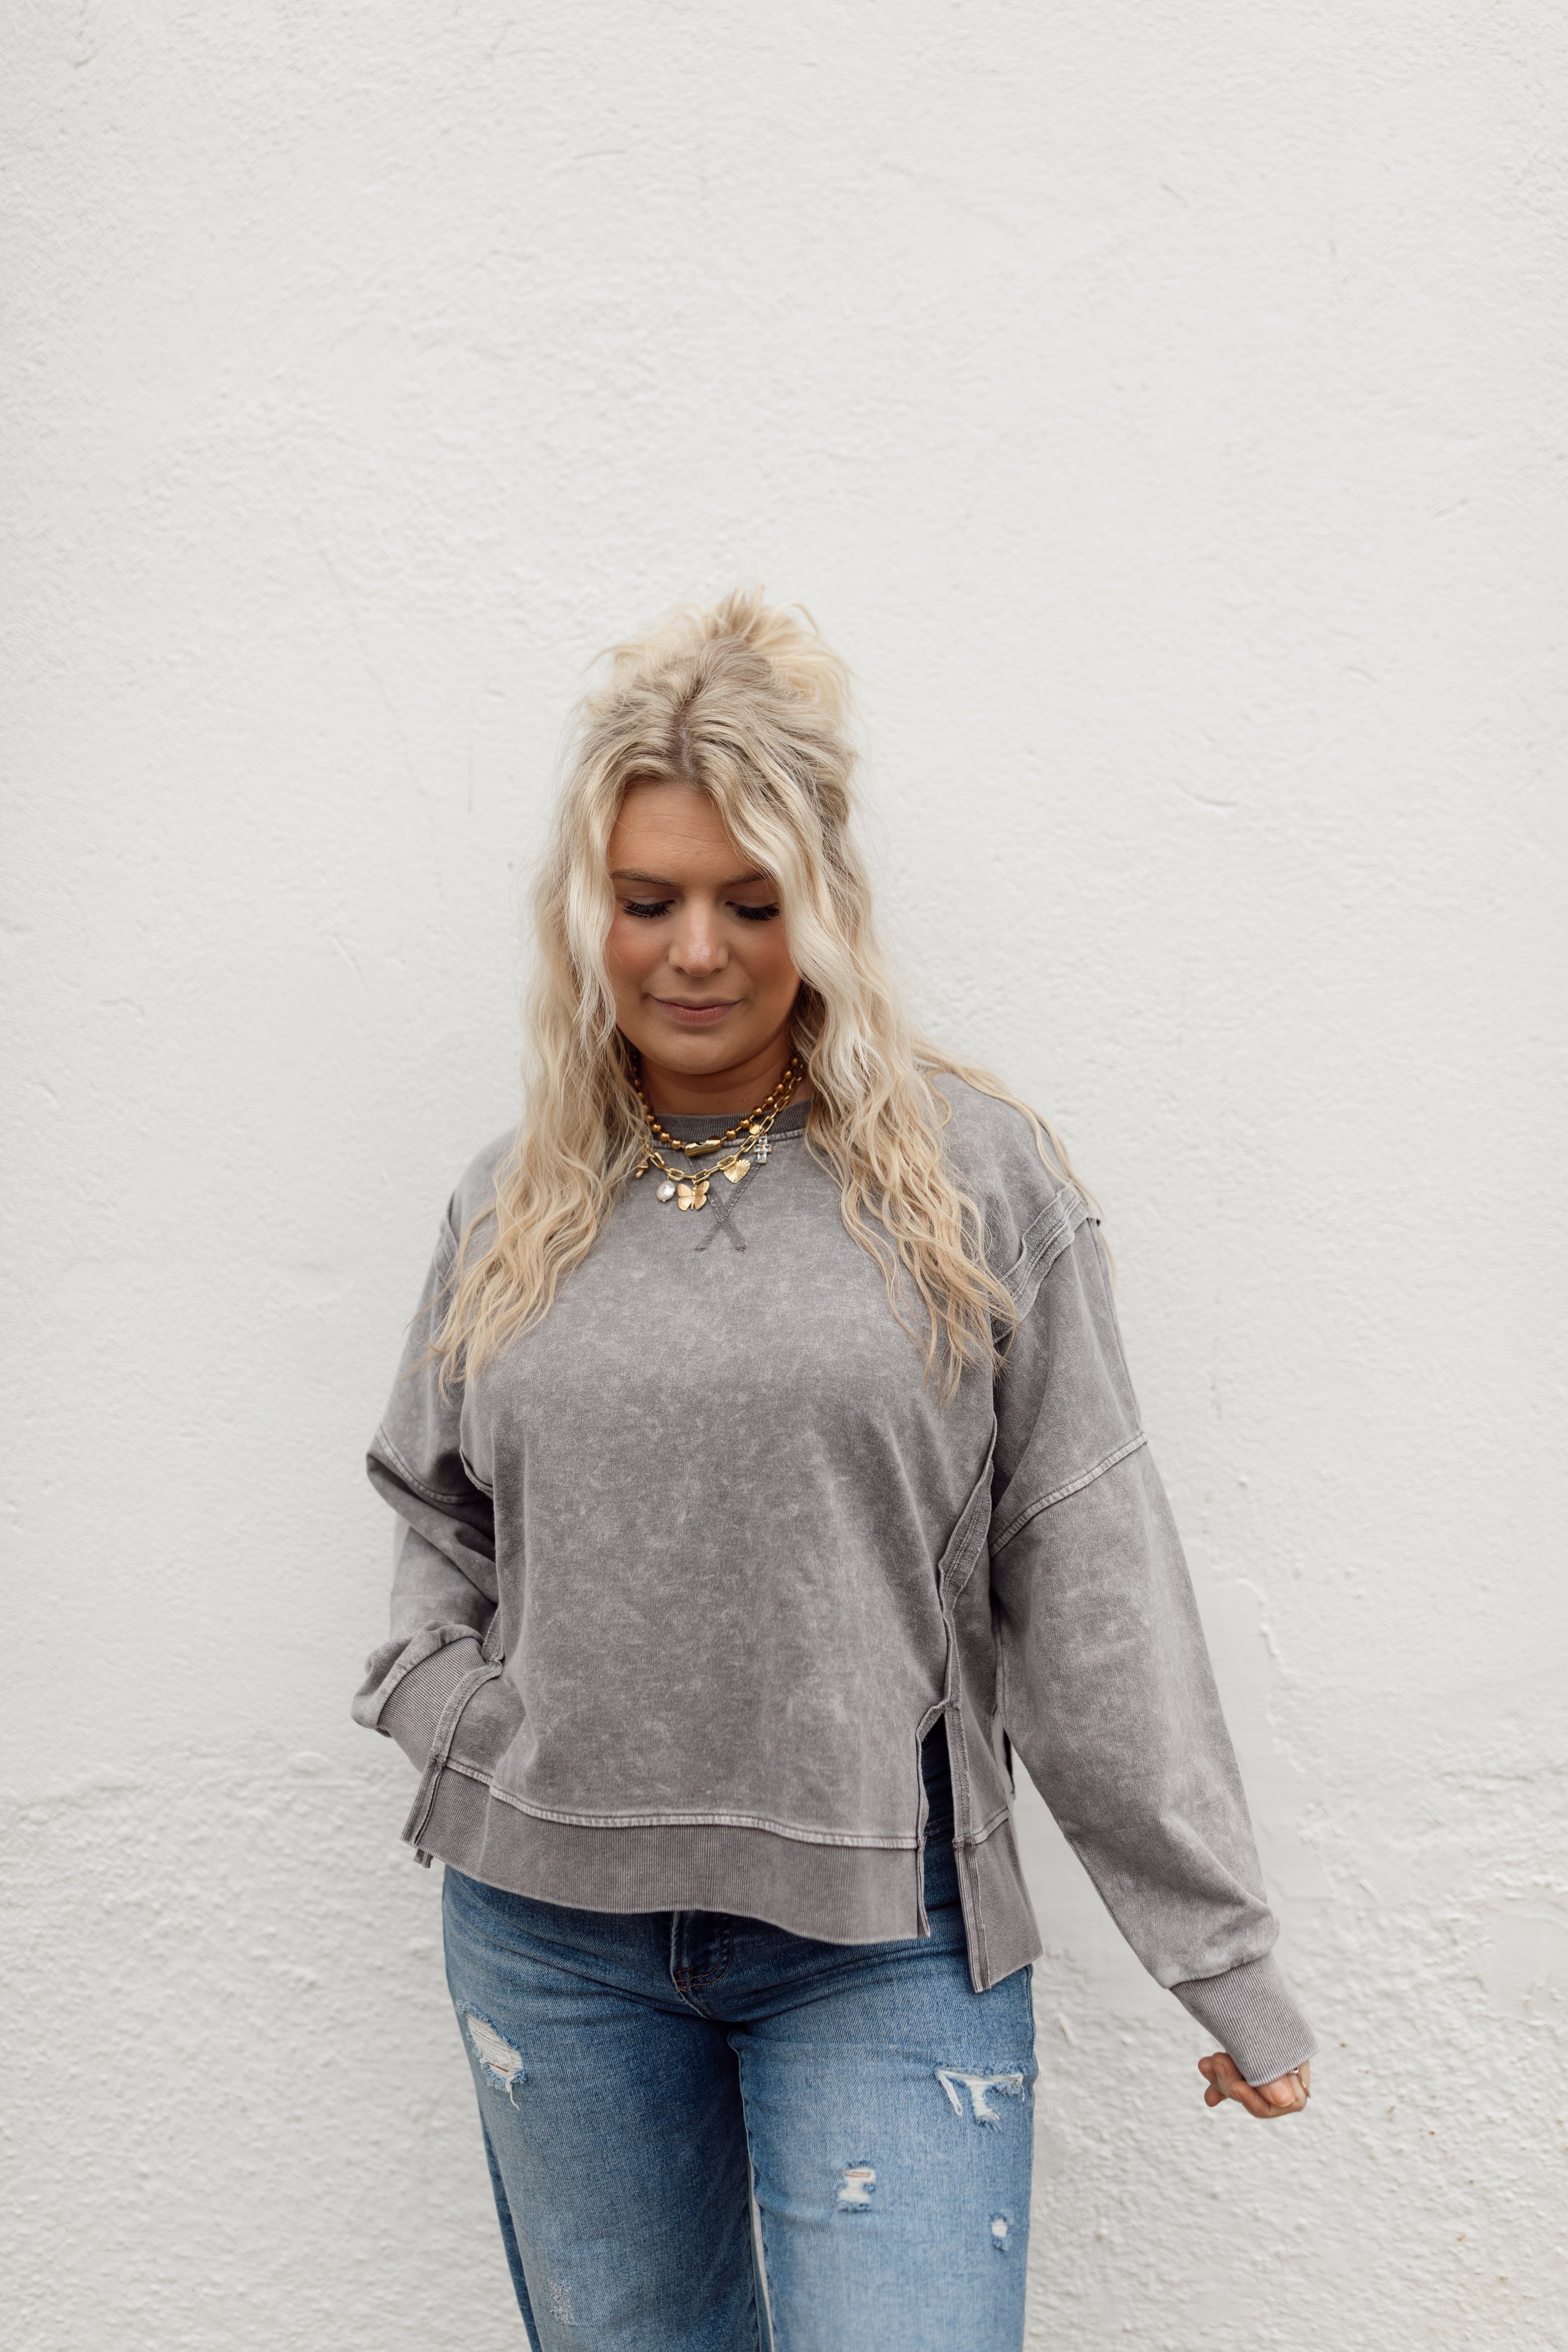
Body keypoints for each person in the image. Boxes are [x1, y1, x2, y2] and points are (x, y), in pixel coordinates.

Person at [352, 590, 1316, 2352]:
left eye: (751, 900)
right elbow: (438, 1507)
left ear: (825, 906)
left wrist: (1220, 1957)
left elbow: (1087, 1573)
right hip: (550, 1939)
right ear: (589, 912)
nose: (695, 951)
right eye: (648, 900)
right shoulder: (512, 1200)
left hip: (884, 1932)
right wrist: (453, 1710)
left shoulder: (966, 1187)